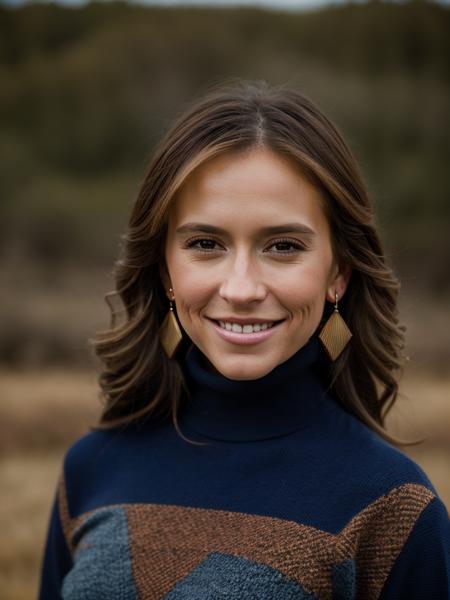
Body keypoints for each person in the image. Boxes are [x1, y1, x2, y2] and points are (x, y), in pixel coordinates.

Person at [38, 79, 450, 599]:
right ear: (165, 267)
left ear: (338, 272)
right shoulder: (90, 470)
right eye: (205, 243)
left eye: (282, 246)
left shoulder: (392, 508)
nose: (240, 289)